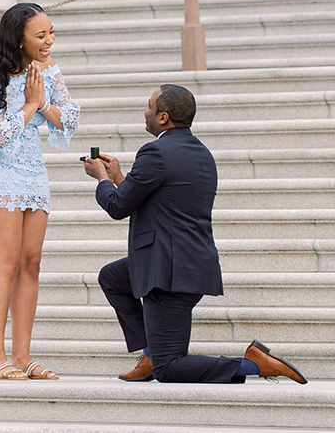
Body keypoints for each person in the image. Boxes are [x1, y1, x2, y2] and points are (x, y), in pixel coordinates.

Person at [83, 84, 307, 385]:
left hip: (167, 272)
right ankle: (151, 353)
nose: (145, 112)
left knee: (170, 369)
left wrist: (101, 179)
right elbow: (158, 199)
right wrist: (120, 177)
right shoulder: (201, 153)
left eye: (149, 107)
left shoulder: (155, 152)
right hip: (189, 263)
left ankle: (253, 364)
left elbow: (118, 206)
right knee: (113, 277)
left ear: (163, 118)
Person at [0, 2, 80, 381]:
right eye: (41, 35)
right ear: (20, 38)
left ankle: (22, 356)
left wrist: (42, 101)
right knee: (7, 262)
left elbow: (68, 118)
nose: (49, 41)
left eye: (51, 32)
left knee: (31, 262)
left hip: (30, 168)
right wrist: (32, 104)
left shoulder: (50, 71)